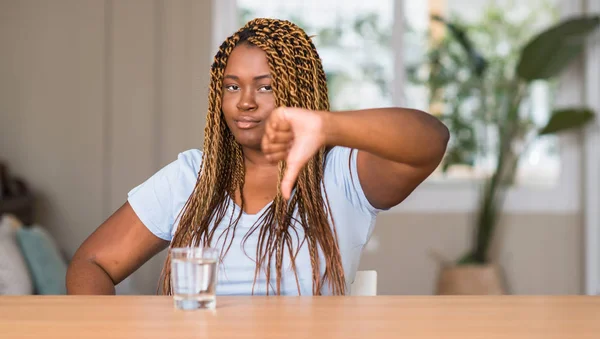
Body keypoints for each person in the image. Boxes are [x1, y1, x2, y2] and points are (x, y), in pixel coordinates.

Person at [66, 18, 449, 296]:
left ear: (300, 93)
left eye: (265, 87)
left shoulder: (340, 175)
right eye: (232, 86)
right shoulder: (190, 177)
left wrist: (328, 127)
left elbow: (430, 141)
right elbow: (92, 263)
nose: (245, 102)